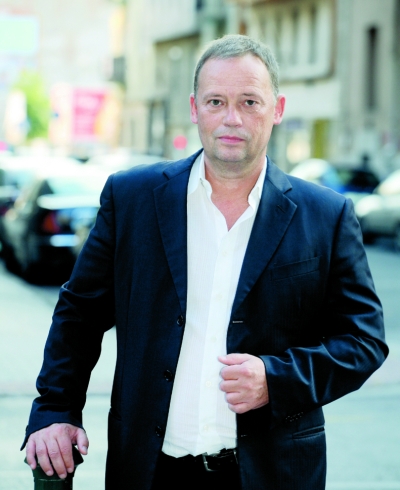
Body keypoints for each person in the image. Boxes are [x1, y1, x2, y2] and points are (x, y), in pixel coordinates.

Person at [23, 34, 388, 490]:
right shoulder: (132, 198)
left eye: (249, 102)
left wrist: (276, 379)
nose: (232, 118)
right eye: (216, 102)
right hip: (152, 472)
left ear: (277, 109)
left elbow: (364, 340)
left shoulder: (327, 216)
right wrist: (56, 408)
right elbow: (80, 312)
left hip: (273, 474)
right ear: (195, 109)